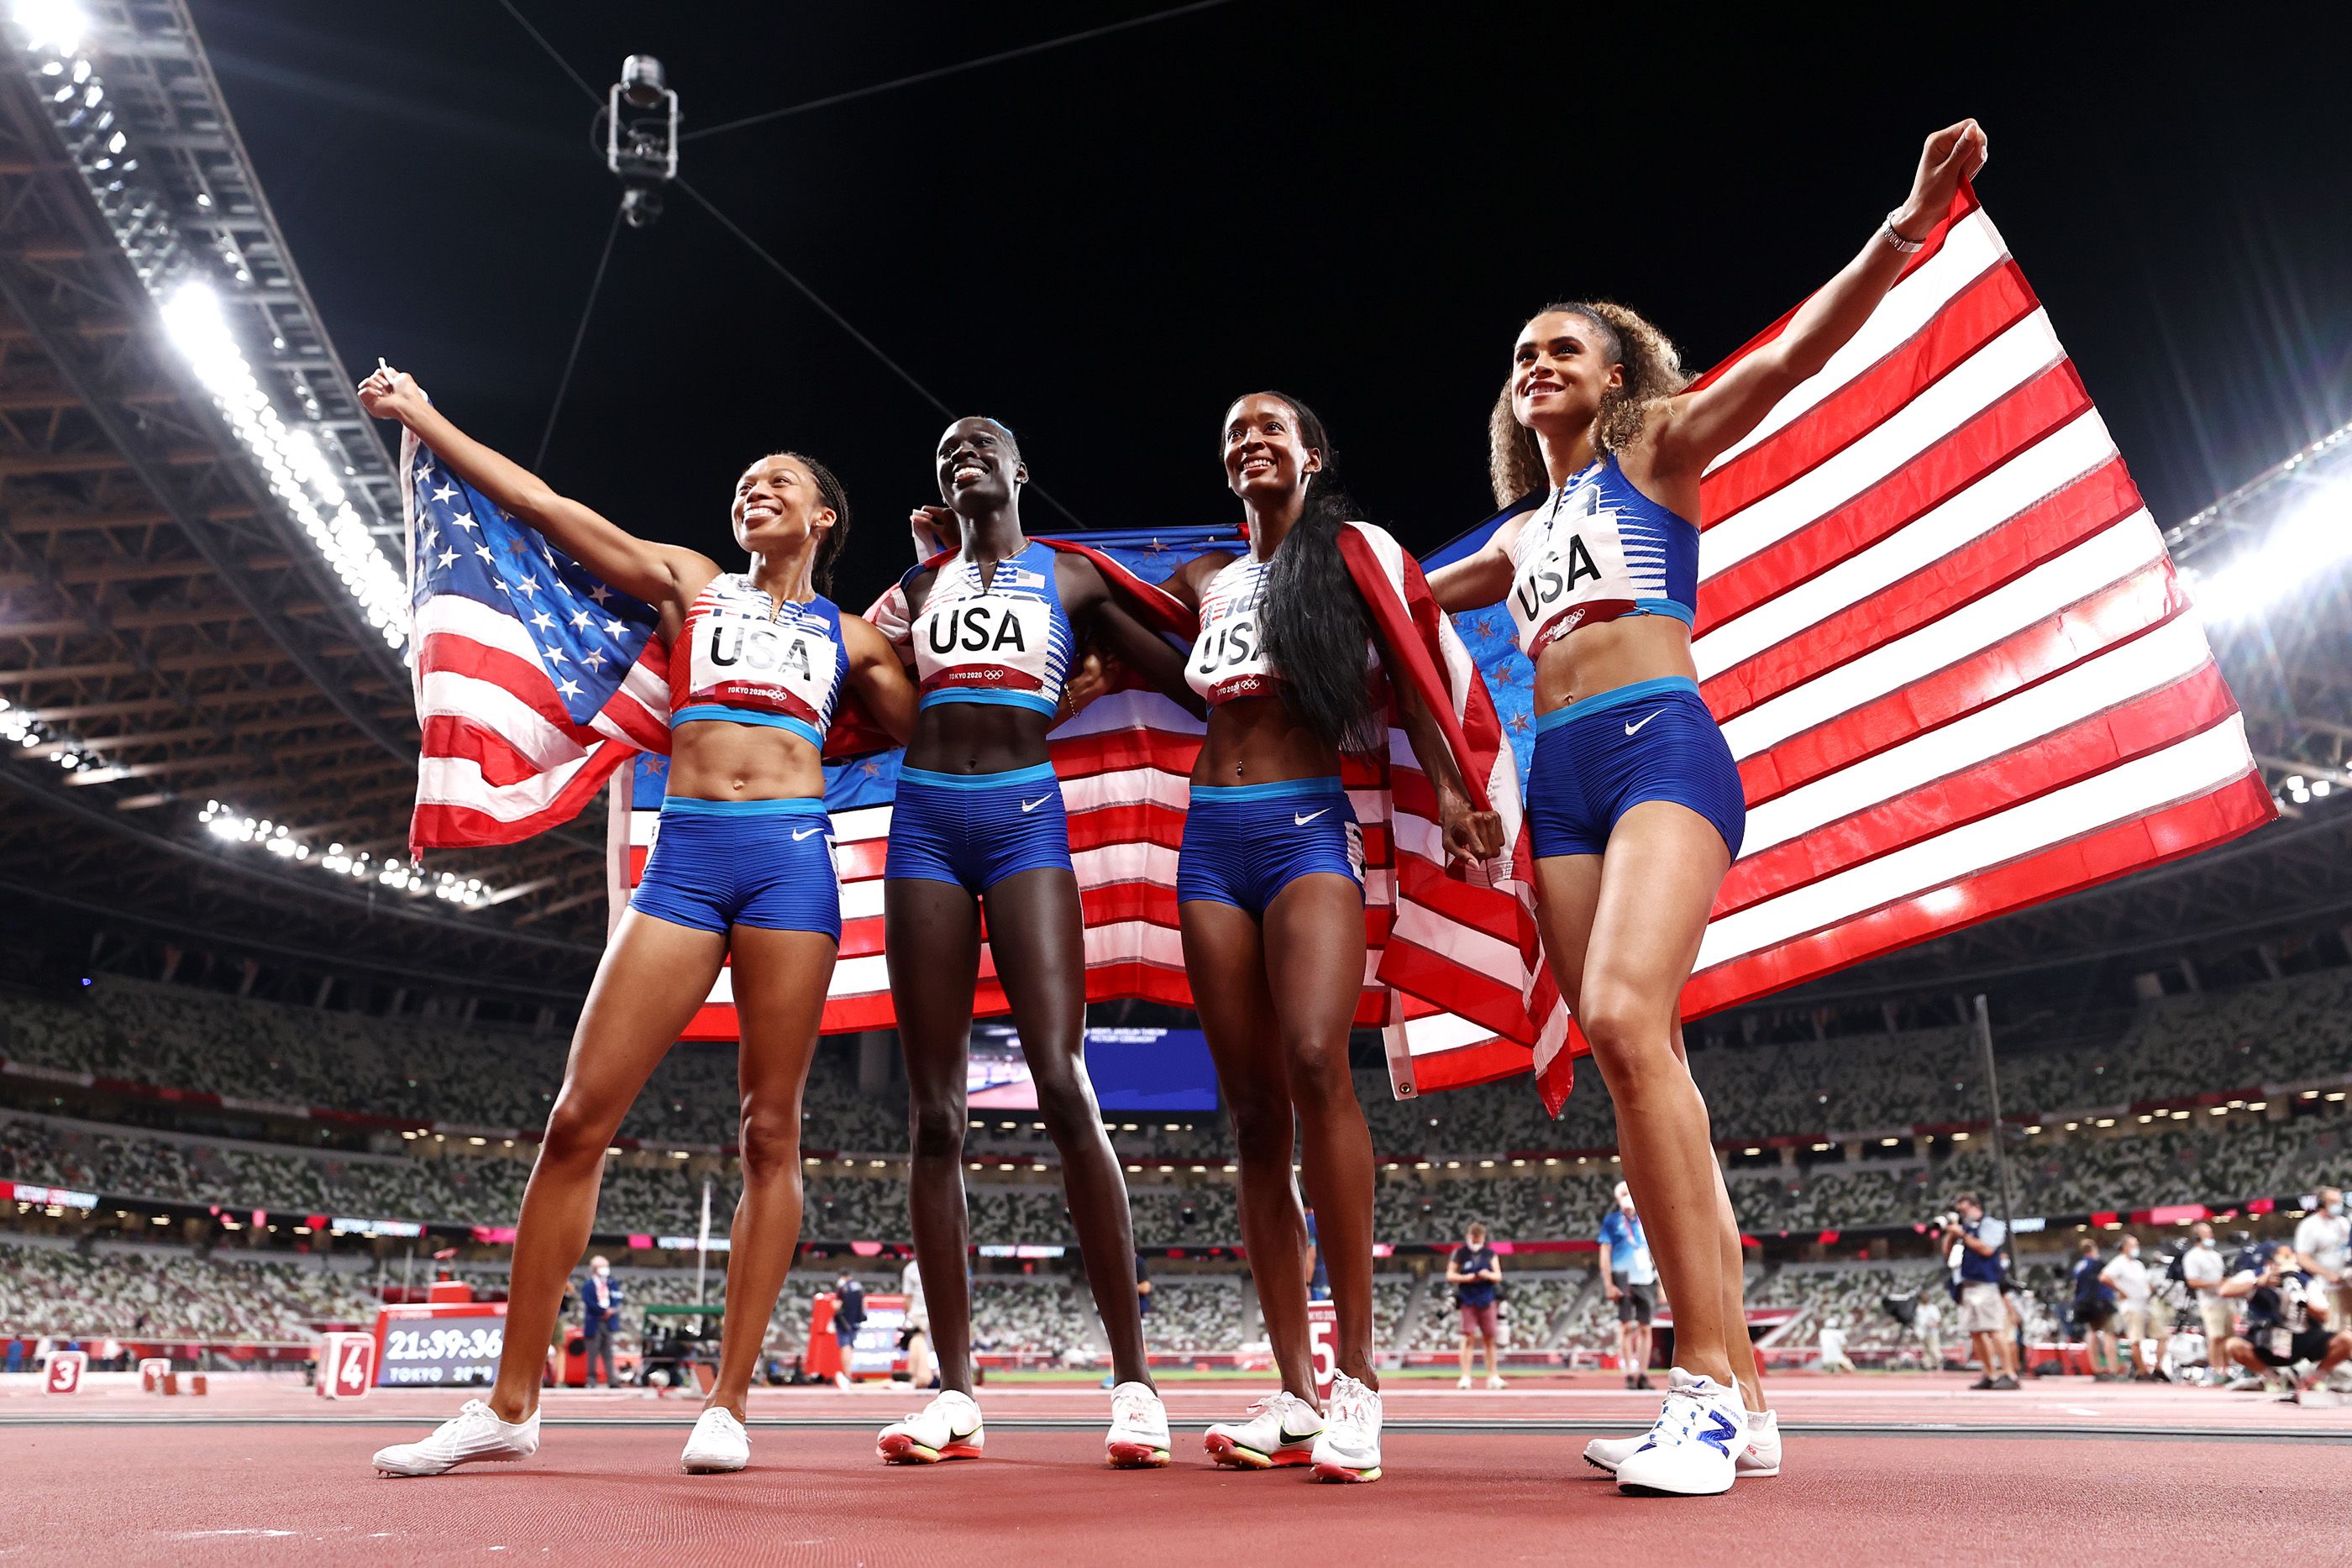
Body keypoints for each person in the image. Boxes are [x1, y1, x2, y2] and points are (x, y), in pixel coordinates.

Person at [1430, 118, 1987, 1493]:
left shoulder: (1660, 446)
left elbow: (1796, 356)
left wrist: (1904, 227)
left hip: (1661, 746)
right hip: (1556, 777)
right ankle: (1742, 1387)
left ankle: (1703, 1391)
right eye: (1520, 358)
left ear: (1615, 370)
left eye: (1561, 346)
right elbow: (1379, 609)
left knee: (1623, 1014)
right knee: (1638, 1059)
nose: (1536, 366)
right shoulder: (1509, 537)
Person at [356, 368, 916, 1480]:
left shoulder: (853, 638)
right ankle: (511, 1403)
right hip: (690, 859)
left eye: (781, 484)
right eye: (747, 481)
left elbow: (948, 730)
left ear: (823, 519)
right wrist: (425, 419)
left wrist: (1078, 688)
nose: (755, 489)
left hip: (793, 868)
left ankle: (729, 1400)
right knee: (577, 1119)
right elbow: (551, 508)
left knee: (770, 1129)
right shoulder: (690, 584)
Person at [1167, 392, 1501, 1487]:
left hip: (1308, 825)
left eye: (1273, 426)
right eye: (1235, 430)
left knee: (1318, 1061)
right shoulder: (1208, 584)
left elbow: (1410, 662)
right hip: (1207, 839)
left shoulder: (1350, 553)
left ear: (1311, 455)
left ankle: (1357, 1374)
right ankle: (1294, 1390)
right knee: (1255, 1109)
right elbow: (1118, 640)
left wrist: (1453, 789)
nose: (1251, 437)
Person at [873, 416, 1193, 1471]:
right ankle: (956, 1392)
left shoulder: (1073, 581)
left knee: (1061, 1082)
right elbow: (839, 676)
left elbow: (1193, 677)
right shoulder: (914, 594)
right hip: (923, 821)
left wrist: (1103, 675)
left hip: (1022, 822)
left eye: (981, 443)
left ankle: (1135, 1381)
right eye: (945, 448)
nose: (960, 452)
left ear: (1019, 470)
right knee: (932, 1113)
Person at [2220, 1242, 2352, 1403]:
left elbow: (2324, 1315)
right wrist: (2259, 1283)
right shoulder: (2255, 1275)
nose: (2289, 1261)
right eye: (2284, 1257)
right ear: (2270, 1262)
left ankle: (2316, 1378)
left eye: (2291, 1257)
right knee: (2233, 1345)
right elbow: (2225, 1290)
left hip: (2302, 1337)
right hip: (2268, 1338)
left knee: (2346, 1339)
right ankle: (2271, 1378)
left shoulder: (2304, 1281)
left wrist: (2299, 1301)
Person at [1944, 1194, 2018, 1390]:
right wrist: (1951, 1234)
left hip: (1985, 1283)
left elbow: (1986, 1250)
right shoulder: (1965, 1229)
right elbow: (1947, 1254)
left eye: (1964, 1210)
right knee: (1975, 1332)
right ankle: (1990, 1374)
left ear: (1976, 1207)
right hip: (1966, 1284)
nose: (1962, 1214)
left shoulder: (1990, 1225)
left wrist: (1962, 1235)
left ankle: (2009, 1373)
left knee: (1994, 1329)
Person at [1598, 1182, 1657, 1390]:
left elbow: (1655, 1252)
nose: (1626, 1197)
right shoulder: (1612, 1221)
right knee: (1625, 1326)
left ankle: (1643, 1372)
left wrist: (1660, 1284)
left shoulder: (1646, 1219)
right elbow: (1604, 1252)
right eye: (1622, 1194)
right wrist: (1608, 1284)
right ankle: (1629, 1374)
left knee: (1645, 1327)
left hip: (1645, 1277)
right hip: (1622, 1276)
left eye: (1628, 1192)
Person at [1448, 1221, 1505, 1390]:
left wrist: (1487, 1274)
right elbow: (1450, 1275)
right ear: (1468, 1237)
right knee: (1467, 1338)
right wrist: (1467, 1278)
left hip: (1487, 1299)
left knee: (1489, 1338)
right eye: (1473, 1239)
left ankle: (1493, 1376)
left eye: (1478, 1239)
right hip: (1467, 1300)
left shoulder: (1489, 1254)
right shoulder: (1460, 1253)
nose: (1475, 1242)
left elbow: (1498, 1275)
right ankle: (1465, 1376)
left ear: (1483, 1238)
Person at [2102, 1234, 2157, 1380]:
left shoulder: (2138, 1264)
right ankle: (2142, 1371)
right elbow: (2104, 1277)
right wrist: (2120, 1291)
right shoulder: (2119, 1262)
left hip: (2144, 1305)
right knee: (2135, 1339)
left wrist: (2150, 1290)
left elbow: (2145, 1283)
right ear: (2125, 1247)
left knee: (2161, 1336)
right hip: (2131, 1307)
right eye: (2134, 1245)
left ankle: (2154, 1369)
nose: (2137, 1248)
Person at [2292, 1186, 2348, 1329]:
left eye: (2339, 1201)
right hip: (2324, 1285)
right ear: (2322, 1203)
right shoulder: (2309, 1226)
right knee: (2332, 1328)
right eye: (2333, 1201)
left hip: (2346, 1283)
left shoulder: (2343, 1222)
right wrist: (2328, 1274)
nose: (2338, 1205)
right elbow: (2302, 1258)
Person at [2181, 1222, 2232, 1375]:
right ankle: (2215, 1370)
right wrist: (2214, 1284)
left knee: (2228, 1337)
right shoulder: (2192, 1256)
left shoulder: (2216, 1255)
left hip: (2224, 1299)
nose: (2211, 1236)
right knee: (2215, 1337)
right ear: (2198, 1236)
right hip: (2209, 1302)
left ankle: (2226, 1369)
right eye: (2207, 1233)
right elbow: (2192, 1281)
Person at [2070, 1237, 2120, 1381]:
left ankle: (2096, 1369)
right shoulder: (2097, 1264)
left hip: (2083, 1303)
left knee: (2091, 1332)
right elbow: (2105, 1279)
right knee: (2109, 1333)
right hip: (2100, 1302)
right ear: (2093, 1250)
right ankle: (2112, 1369)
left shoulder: (2079, 1265)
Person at [577, 1257, 622, 1390]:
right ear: (594, 1269)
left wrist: (611, 1310)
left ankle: (612, 1379)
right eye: (602, 1266)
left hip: (608, 1322)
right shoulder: (588, 1285)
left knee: (608, 1352)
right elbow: (588, 1302)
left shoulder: (612, 1283)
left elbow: (617, 1297)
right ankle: (591, 1379)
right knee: (592, 1353)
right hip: (594, 1321)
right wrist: (602, 1310)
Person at [898, 1255, 934, 1392]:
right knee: (921, 1341)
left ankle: (913, 1373)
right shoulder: (938, 1263)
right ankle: (913, 1374)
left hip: (918, 1312)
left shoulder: (910, 1269)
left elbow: (907, 1297)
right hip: (933, 1311)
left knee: (917, 1340)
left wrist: (907, 1316)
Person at [833, 1272, 868, 1391]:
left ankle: (847, 1374)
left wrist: (834, 1308)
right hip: (855, 1321)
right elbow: (864, 1303)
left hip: (844, 1321)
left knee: (845, 1346)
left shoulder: (843, 1287)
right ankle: (849, 1373)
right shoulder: (859, 1287)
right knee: (850, 1346)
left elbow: (837, 1305)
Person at [1914, 1293, 1945, 1371]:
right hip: (1922, 1332)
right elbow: (1916, 1321)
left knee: (1934, 1349)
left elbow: (1938, 1320)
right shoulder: (1918, 1308)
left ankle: (1939, 1364)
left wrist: (1932, 1324)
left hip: (1932, 1332)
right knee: (1925, 1350)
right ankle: (1928, 1366)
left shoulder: (1932, 1308)